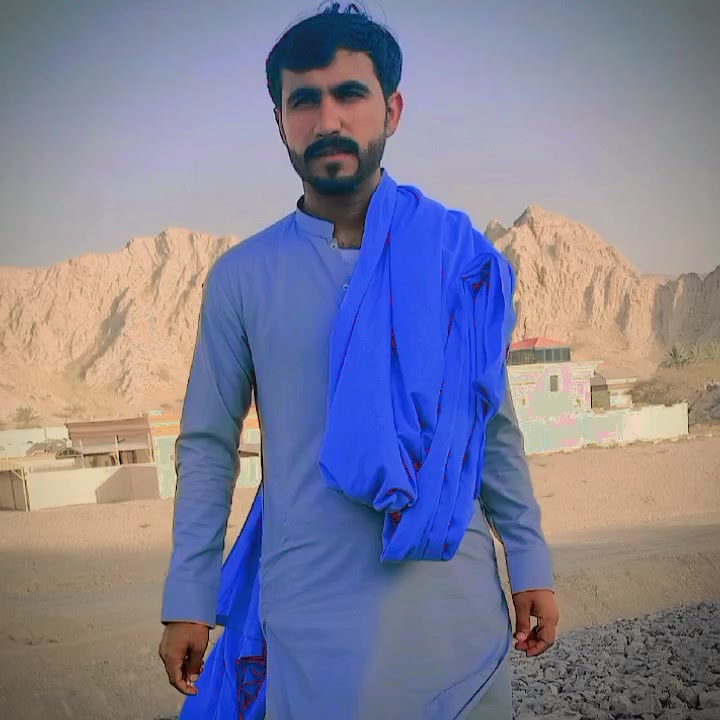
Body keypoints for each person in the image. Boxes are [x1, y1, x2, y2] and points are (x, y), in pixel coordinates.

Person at [159, 4, 560, 719]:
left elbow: (488, 422)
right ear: (280, 121)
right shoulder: (243, 277)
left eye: (349, 93)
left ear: (392, 110)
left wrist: (528, 560)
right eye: (303, 101)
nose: (327, 119)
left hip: (451, 596)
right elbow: (209, 446)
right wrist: (189, 598)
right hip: (311, 612)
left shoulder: (453, 256)